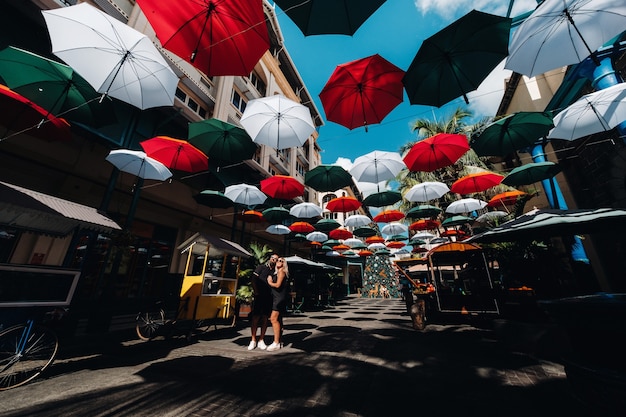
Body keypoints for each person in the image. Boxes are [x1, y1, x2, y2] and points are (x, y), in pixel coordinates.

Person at [247, 253, 277, 350]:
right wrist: (256, 291)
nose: (274, 260)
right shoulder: (261, 267)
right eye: (272, 258)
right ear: (269, 259)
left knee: (265, 318)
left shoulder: (275, 272)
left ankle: (261, 339)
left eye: (276, 259)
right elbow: (253, 279)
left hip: (268, 297)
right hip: (259, 296)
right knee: (255, 317)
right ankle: (253, 340)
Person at [266, 256, 289, 351]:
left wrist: (270, 282)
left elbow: (278, 285)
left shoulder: (282, 271)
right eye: (278, 260)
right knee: (279, 319)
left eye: (281, 261)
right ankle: (279, 341)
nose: (279, 262)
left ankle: (276, 342)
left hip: (279, 298)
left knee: (273, 319)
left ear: (284, 264)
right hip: (277, 297)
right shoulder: (277, 272)